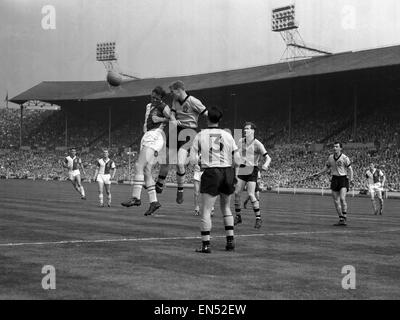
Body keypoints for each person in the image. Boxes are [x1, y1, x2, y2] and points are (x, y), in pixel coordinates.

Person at [190, 106, 243, 253]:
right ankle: (230, 242)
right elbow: (238, 159)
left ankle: (206, 245)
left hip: (211, 172)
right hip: (227, 171)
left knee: (206, 210)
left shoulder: (200, 135)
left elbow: (193, 159)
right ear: (220, 119)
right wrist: (235, 175)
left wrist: (198, 164)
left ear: (207, 119)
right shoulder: (228, 135)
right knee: (226, 208)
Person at [121, 86, 173, 215]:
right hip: (148, 136)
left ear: (161, 98)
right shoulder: (149, 106)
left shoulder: (163, 106)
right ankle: (154, 202)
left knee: (139, 165)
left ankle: (136, 198)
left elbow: (173, 119)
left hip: (155, 135)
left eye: (156, 97)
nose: (153, 98)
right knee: (146, 170)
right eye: (152, 96)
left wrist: (161, 119)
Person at [155, 80, 208, 204]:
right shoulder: (175, 101)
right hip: (175, 129)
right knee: (166, 159)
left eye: (173, 91)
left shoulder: (194, 101)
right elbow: (172, 114)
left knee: (180, 163)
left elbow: (206, 113)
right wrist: (173, 120)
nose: (171, 93)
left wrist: (214, 124)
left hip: (189, 131)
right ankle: (160, 183)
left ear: (179, 90)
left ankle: (180, 190)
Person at [234, 122, 271, 229]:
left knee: (251, 194)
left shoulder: (258, 144)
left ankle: (258, 219)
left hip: (252, 169)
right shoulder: (240, 141)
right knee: (236, 193)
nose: (245, 130)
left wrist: (265, 165)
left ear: (253, 131)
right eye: (244, 129)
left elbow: (268, 158)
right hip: (243, 168)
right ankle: (238, 216)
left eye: (248, 129)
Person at [314, 142, 354, 226]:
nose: (334, 148)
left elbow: (350, 169)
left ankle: (345, 216)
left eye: (336, 146)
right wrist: (319, 173)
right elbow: (326, 167)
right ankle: (341, 218)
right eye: (334, 147)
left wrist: (351, 179)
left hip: (343, 178)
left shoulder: (345, 158)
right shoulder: (330, 157)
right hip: (334, 179)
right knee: (336, 201)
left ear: (340, 148)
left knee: (342, 198)